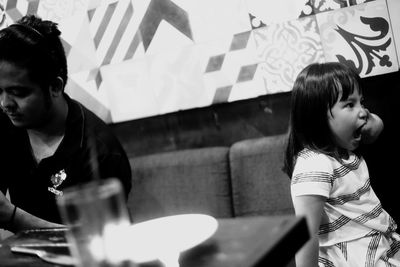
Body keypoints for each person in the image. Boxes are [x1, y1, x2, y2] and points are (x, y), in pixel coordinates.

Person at [0, 15, 132, 233]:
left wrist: (13, 217)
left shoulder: (99, 152)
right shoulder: (7, 123)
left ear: (54, 87)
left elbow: (97, 241)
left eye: (18, 93)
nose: (5, 104)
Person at [283, 62, 400, 266]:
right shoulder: (315, 163)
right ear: (317, 116)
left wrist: (359, 113)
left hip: (378, 246)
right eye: (349, 104)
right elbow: (305, 235)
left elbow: (375, 127)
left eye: (361, 102)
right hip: (353, 258)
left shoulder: (344, 151)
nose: (363, 112)